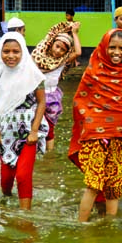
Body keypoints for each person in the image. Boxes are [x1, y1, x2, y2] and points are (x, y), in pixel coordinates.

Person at [70, 29, 122, 222]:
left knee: (114, 186)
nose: (116, 52)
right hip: (96, 139)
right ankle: (82, 227)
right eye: (112, 47)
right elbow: (80, 102)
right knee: (93, 186)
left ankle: (110, 227)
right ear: (104, 47)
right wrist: (94, 123)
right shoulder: (92, 72)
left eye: (121, 48)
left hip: (119, 138)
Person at [0, 32, 48, 210]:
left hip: (29, 129)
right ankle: (6, 206)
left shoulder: (33, 75)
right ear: (0, 52)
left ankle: (25, 215)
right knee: (6, 179)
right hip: (7, 130)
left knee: (23, 175)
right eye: (6, 51)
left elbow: (41, 102)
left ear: (23, 52)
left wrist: (34, 131)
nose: (11, 56)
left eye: (16, 51)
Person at [32, 21, 81, 150]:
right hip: (35, 96)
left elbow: (78, 52)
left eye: (63, 50)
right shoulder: (39, 57)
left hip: (51, 99)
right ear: (51, 43)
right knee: (33, 127)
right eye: (57, 46)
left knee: (49, 130)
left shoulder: (62, 61)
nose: (58, 51)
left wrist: (75, 34)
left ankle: (49, 157)